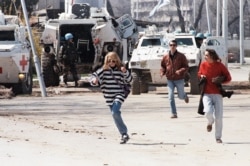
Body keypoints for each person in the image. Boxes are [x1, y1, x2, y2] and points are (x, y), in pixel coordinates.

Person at [90, 51, 132, 144]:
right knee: (115, 115)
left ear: (117, 61)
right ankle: (124, 134)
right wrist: (94, 81)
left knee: (115, 112)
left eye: (114, 61)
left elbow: (130, 80)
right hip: (108, 97)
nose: (112, 63)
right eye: (110, 61)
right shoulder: (103, 70)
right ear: (107, 61)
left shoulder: (121, 70)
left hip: (119, 94)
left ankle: (124, 133)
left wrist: (125, 72)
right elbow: (93, 77)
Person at [198, 49, 232, 143]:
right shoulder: (203, 65)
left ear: (212, 56)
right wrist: (201, 76)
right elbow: (199, 73)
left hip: (217, 93)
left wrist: (220, 80)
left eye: (206, 55)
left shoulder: (220, 66)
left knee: (219, 117)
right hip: (206, 93)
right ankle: (210, 122)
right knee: (208, 112)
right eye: (204, 55)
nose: (205, 57)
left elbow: (228, 78)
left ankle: (218, 137)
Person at [160, 40, 189, 119]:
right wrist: (162, 72)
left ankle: (185, 96)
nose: (172, 46)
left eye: (174, 45)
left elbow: (186, 66)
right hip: (170, 79)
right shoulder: (165, 56)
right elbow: (163, 66)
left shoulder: (181, 56)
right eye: (171, 45)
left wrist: (180, 71)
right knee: (170, 96)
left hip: (179, 79)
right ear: (169, 46)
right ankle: (174, 113)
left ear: (176, 46)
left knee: (180, 96)